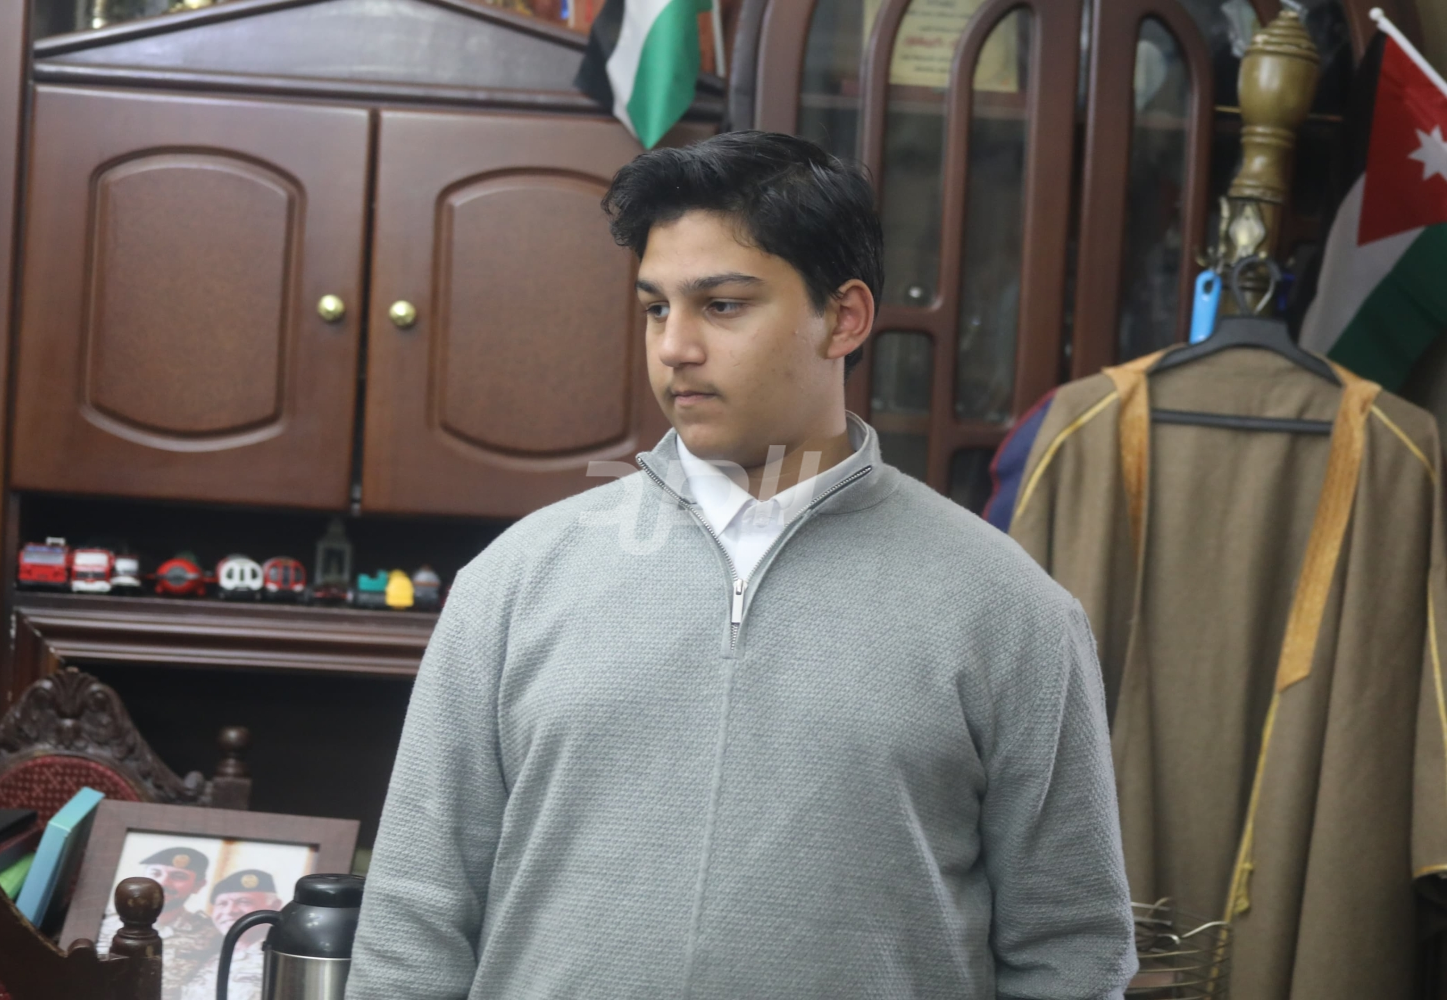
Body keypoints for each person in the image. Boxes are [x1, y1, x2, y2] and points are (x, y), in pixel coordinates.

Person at [347, 130, 1137, 999]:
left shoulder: (1012, 613)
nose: (674, 347)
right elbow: (414, 917)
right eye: (657, 308)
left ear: (845, 318)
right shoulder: (515, 580)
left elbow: (1069, 951)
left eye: (721, 305)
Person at [97, 846, 220, 1000]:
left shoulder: (211, 934)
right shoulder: (104, 921)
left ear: (198, 885)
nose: (163, 883)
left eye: (178, 876)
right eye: (155, 873)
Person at [182, 869, 284, 1000]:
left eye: (244, 902)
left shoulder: (281, 958)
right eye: (222, 903)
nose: (230, 911)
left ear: (275, 906)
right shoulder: (210, 956)